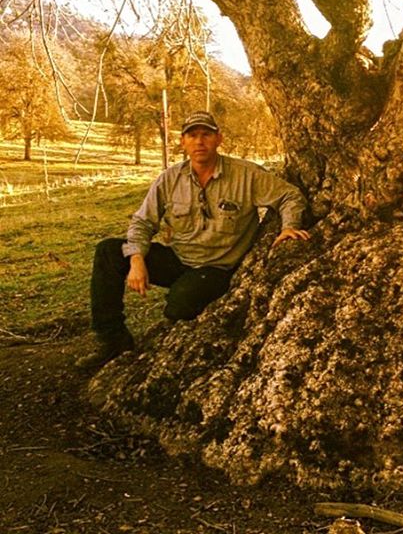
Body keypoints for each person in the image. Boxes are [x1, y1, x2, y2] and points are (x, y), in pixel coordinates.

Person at [77, 111, 310, 369]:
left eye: (206, 135)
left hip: (217, 268)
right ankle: (112, 341)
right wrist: (136, 259)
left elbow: (290, 196)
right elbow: (143, 222)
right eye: (193, 135)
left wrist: (289, 227)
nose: (200, 142)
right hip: (179, 259)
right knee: (108, 252)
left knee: (180, 305)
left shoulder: (246, 175)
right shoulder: (169, 179)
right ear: (183, 142)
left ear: (219, 139)